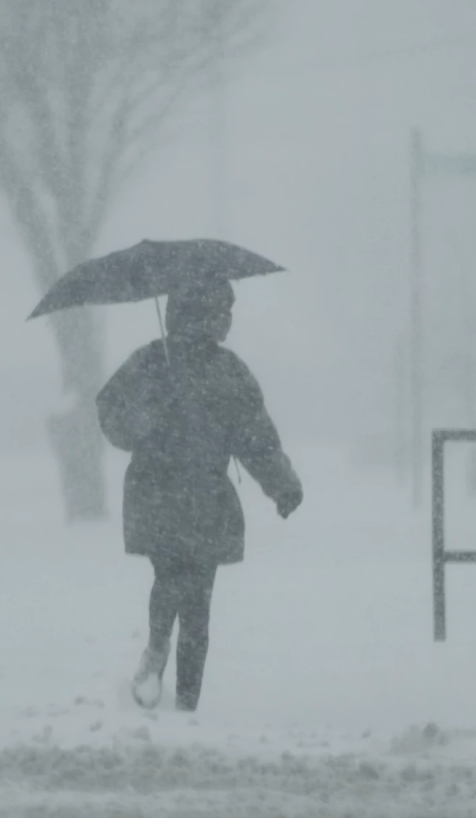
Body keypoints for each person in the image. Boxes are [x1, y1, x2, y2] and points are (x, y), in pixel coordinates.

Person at [95, 277, 302, 712]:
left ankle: (176, 683)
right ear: (199, 316)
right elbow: (256, 440)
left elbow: (256, 439)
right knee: (184, 589)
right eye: (221, 312)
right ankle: (169, 672)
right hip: (181, 494)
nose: (227, 321)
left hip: (180, 496)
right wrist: (141, 422)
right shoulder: (196, 367)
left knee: (186, 593)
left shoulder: (177, 364)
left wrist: (281, 483)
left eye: (229, 313)